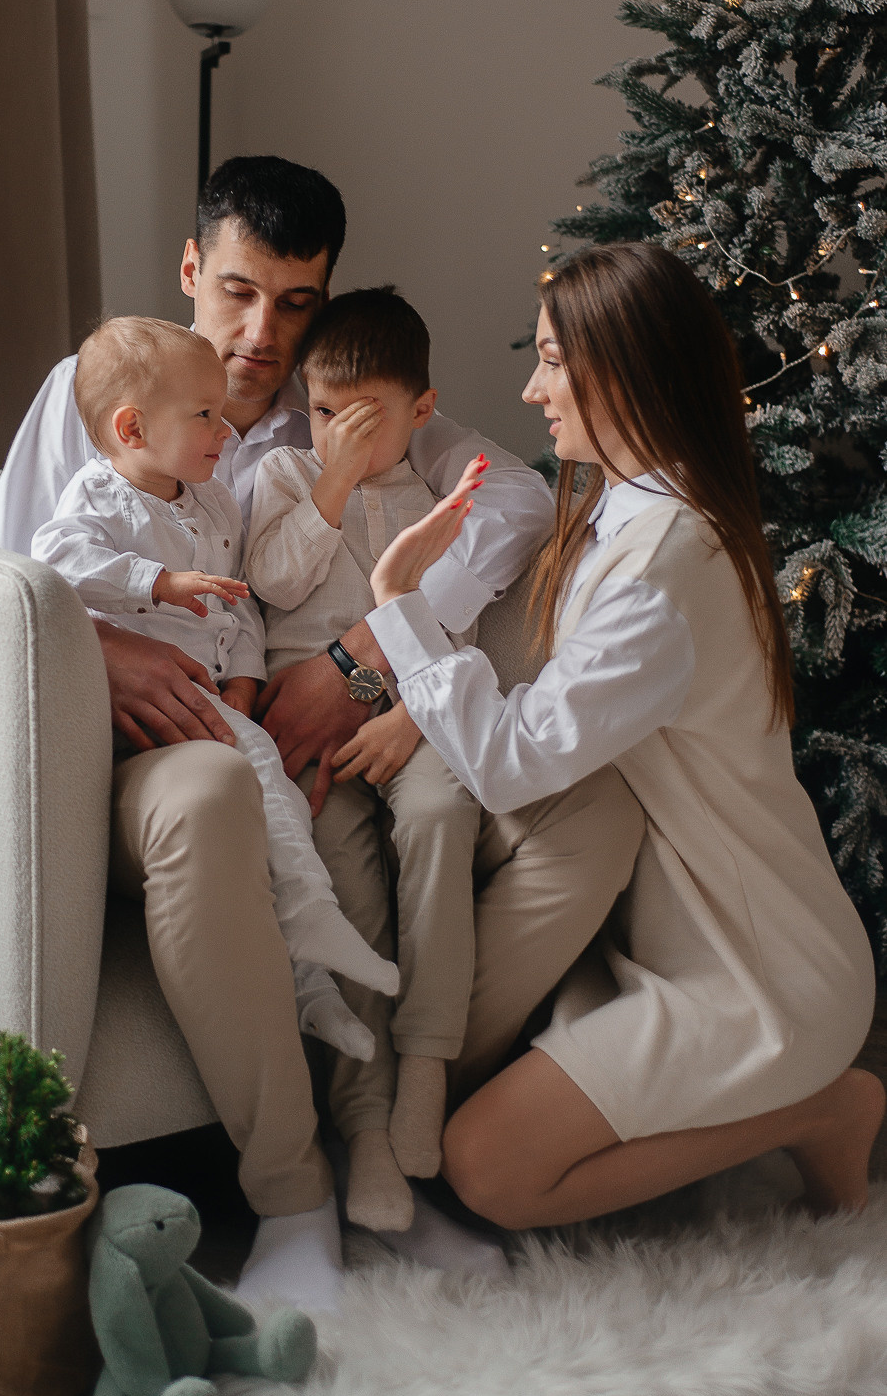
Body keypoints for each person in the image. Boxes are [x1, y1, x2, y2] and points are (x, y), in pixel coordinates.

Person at [0, 156, 635, 1309]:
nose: (258, 329)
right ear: (190, 269)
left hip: (280, 729)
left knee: (546, 807)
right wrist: (105, 650)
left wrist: (369, 656)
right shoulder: (94, 392)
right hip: (134, 748)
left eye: (292, 301)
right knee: (219, 799)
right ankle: (291, 1196)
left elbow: (515, 493)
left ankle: (395, 1139)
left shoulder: (330, 405)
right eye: (236, 290)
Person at [364, 242, 882, 1229]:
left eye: (553, 359)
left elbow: (512, 764)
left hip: (756, 969)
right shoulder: (636, 517)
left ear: (630, 366)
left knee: (488, 1169)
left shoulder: (660, 560)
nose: (529, 386)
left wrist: (397, 604)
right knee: (485, 1135)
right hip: (675, 938)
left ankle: (822, 1104)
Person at [30, 315, 399, 1022]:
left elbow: (239, 609)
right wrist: (156, 583)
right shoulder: (95, 497)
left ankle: (310, 989)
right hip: (137, 710)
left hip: (210, 697)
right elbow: (54, 562)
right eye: (204, 415)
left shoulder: (215, 502)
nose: (225, 432)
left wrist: (247, 676)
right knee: (262, 770)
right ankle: (316, 919)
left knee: (271, 806)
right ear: (132, 430)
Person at [246, 287, 487, 1229]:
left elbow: (449, 632)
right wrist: (330, 483)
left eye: (363, 421)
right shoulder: (284, 480)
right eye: (321, 414)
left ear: (420, 410)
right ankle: (367, 1125)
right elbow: (271, 578)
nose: (336, 435)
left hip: (405, 716)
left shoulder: (437, 503)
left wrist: (414, 718)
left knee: (441, 814)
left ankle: (426, 1062)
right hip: (313, 737)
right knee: (346, 883)